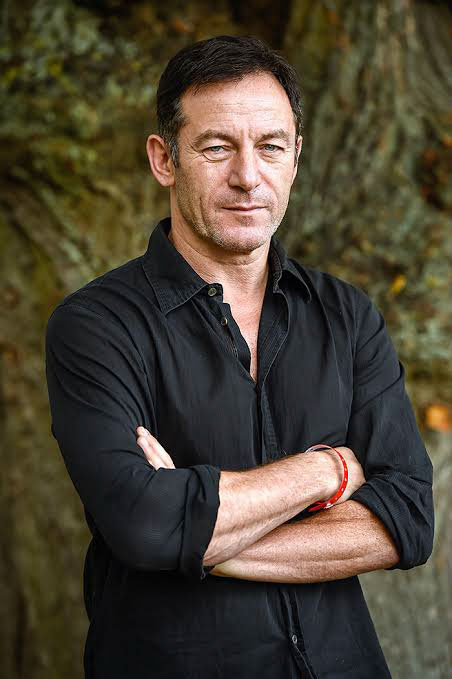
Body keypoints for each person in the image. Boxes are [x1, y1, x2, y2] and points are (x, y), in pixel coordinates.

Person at [45, 35, 434, 679]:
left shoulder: (347, 315)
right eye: (217, 147)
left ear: (296, 158)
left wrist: (194, 535)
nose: (248, 176)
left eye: (271, 147)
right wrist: (326, 471)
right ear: (164, 160)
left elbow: (409, 522)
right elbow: (142, 525)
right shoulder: (96, 326)